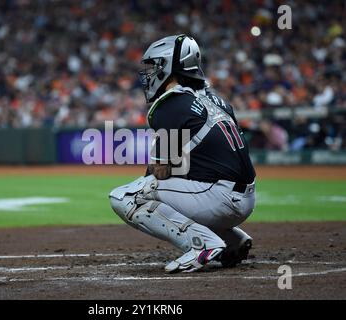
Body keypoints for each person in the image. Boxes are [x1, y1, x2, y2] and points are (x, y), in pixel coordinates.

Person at [109, 35, 256, 273]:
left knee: (126, 196)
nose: (149, 73)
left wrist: (151, 172)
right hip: (245, 198)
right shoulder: (216, 99)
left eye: (154, 65)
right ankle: (231, 241)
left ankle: (202, 245)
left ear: (169, 66)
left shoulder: (171, 104)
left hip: (218, 199)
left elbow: (162, 171)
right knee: (162, 186)